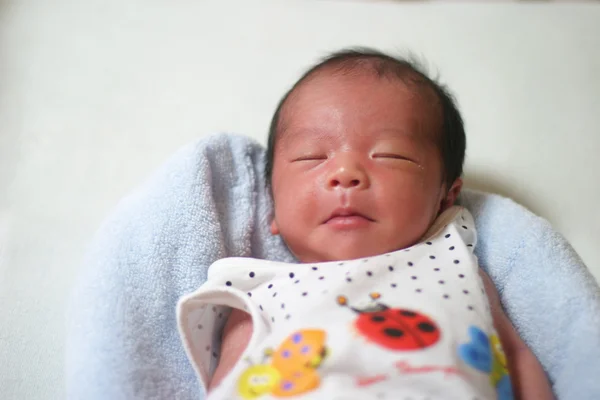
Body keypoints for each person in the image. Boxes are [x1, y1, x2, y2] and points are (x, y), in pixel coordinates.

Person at [177, 48, 554, 399]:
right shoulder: (255, 292)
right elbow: (229, 385)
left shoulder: (456, 263)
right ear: (273, 212)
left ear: (446, 195)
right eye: (311, 157)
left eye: (390, 155)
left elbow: (516, 359)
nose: (345, 173)